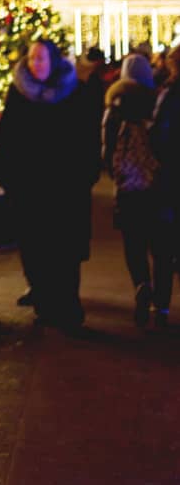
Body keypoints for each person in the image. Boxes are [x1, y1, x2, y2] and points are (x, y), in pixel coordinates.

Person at [0, 38, 101, 332]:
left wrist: (86, 174)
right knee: (36, 249)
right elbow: (8, 139)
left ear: (53, 61)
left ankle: (68, 307)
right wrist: (10, 176)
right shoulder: (19, 94)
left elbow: (87, 137)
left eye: (41, 58)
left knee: (65, 251)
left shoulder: (75, 93)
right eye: (32, 58)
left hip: (66, 188)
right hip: (29, 188)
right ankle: (45, 303)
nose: (36, 64)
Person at [102, 53, 161, 326]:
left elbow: (107, 147)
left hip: (128, 186)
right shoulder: (157, 101)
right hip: (155, 183)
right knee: (160, 243)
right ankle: (161, 303)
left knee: (133, 241)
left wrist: (115, 173)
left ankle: (140, 282)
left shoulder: (115, 105)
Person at [149, 44, 180, 327]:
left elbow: (158, 137)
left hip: (171, 179)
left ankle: (161, 306)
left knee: (164, 246)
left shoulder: (169, 96)